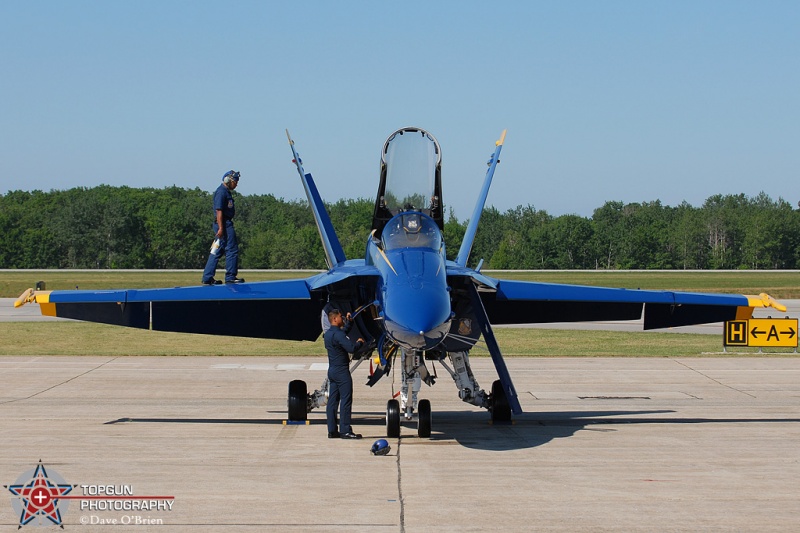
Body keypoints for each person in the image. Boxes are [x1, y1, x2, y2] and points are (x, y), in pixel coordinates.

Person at [324, 309, 364, 439]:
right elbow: (351, 348)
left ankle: (332, 430)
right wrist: (359, 343)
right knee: (346, 400)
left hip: (332, 371)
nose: (342, 318)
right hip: (342, 372)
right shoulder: (338, 335)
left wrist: (349, 323)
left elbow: (341, 335)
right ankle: (345, 430)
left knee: (332, 401)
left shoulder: (329, 334)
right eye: (341, 317)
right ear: (335, 319)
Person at [202, 170, 245, 285]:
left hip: (223, 223)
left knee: (217, 250)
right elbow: (219, 211)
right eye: (235, 181)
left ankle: (207, 277)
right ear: (228, 180)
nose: (236, 184)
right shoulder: (222, 192)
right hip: (224, 223)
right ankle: (231, 276)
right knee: (232, 249)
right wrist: (221, 228)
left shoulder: (226, 192)